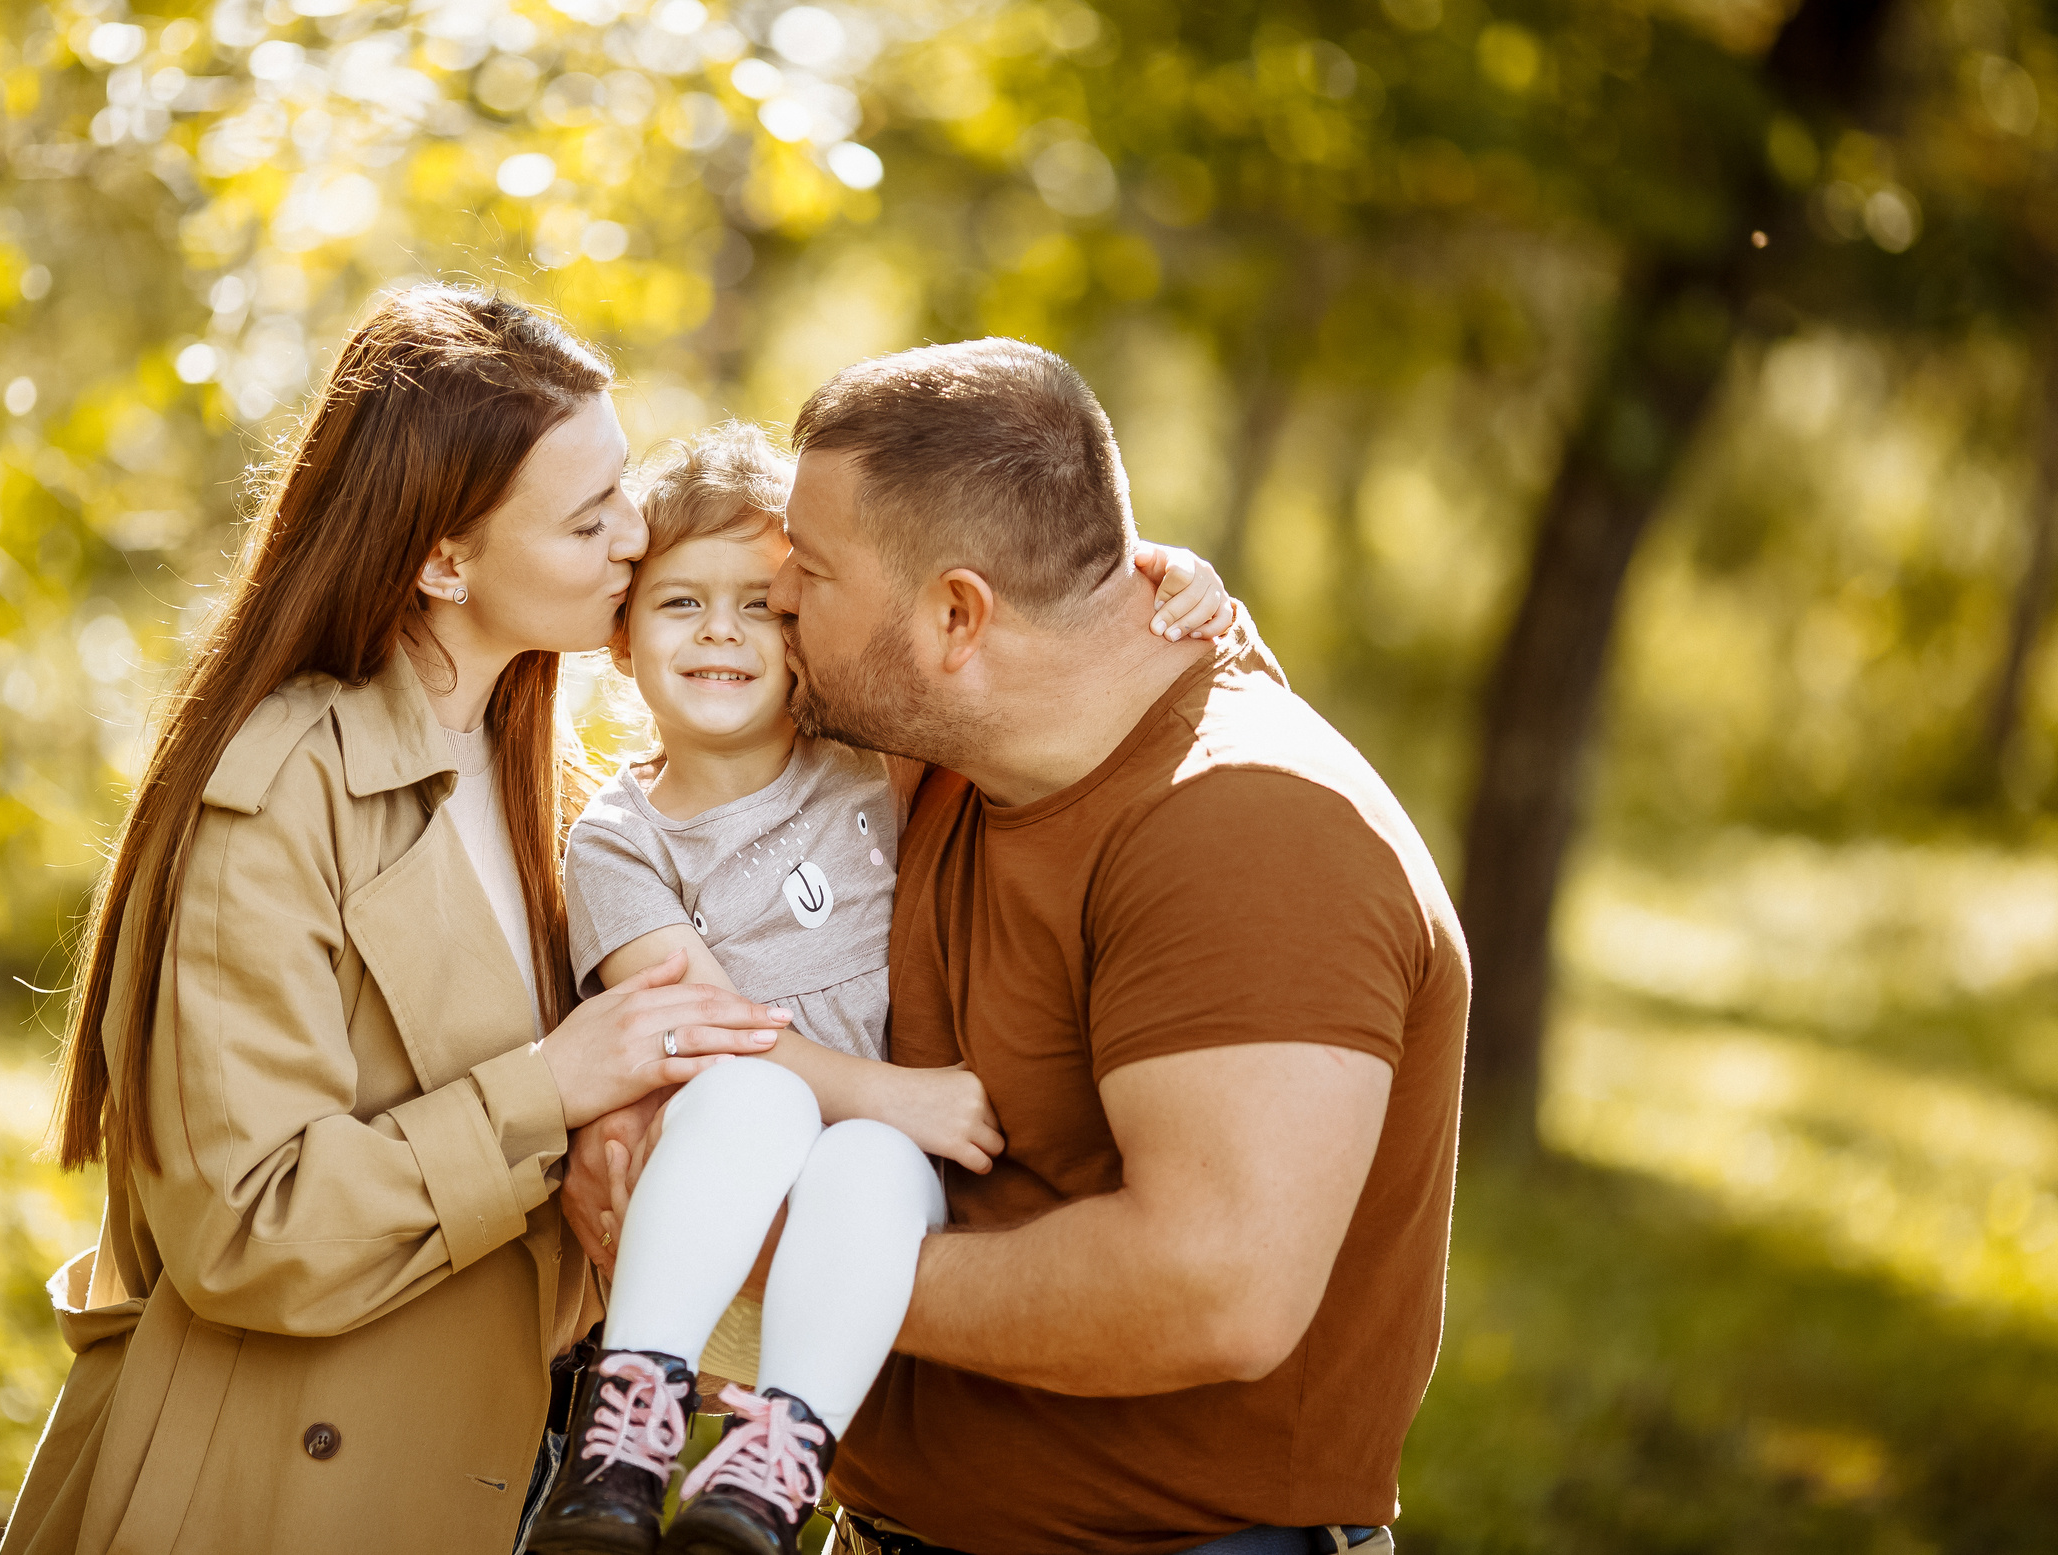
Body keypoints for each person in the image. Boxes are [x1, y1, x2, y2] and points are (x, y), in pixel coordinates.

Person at [614, 337, 1469, 1555]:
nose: (778, 602)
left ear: (957, 614)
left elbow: (1209, 1287)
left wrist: (740, 1240)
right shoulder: (922, 762)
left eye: (807, 571)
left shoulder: (1251, 834)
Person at [0, 287, 796, 1555]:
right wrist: (551, 1091)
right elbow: (249, 1228)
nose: (637, 538)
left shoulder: (559, 781)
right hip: (269, 1490)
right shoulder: (276, 791)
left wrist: (1163, 605)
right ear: (442, 559)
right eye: (588, 519)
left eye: (626, 491)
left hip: (493, 1476)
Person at [530, 424, 1234, 1555]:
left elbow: (1005, 638)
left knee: (871, 1161)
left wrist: (1169, 580)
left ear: (804, 629)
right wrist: (894, 1094)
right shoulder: (618, 840)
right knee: (756, 1097)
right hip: (717, 1187)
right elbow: (705, 1027)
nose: (721, 633)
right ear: (620, 637)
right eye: (680, 605)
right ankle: (630, 1426)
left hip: (858, 1206)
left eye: (760, 605)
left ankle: (772, 1466)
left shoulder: (869, 756)